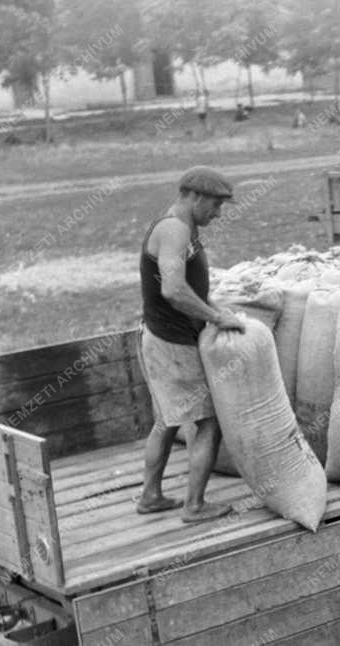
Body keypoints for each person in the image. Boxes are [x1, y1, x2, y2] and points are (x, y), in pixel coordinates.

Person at [137, 166, 245, 523]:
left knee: (166, 421)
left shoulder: (182, 228)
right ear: (195, 196)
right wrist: (216, 318)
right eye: (216, 204)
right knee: (209, 423)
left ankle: (151, 497)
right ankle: (195, 506)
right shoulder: (175, 231)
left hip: (162, 338)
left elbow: (189, 288)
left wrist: (213, 308)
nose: (219, 213)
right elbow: (173, 290)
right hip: (173, 344)